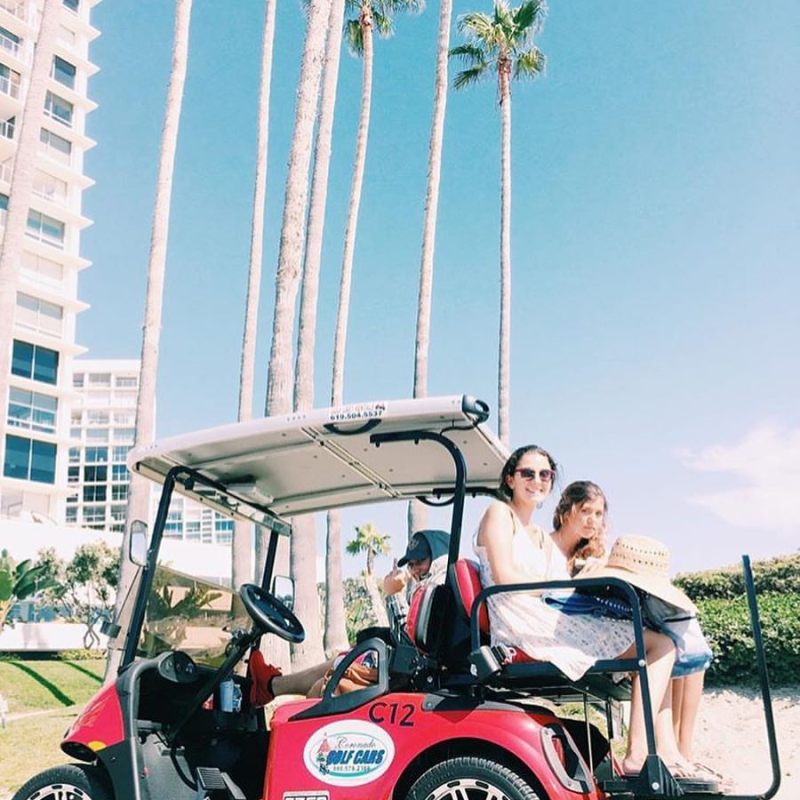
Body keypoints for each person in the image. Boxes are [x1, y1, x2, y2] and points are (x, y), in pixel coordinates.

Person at [474, 445, 694, 779]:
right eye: (527, 473)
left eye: (545, 474)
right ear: (510, 478)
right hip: (520, 620)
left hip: (539, 613)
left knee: (660, 640)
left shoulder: (536, 534)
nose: (537, 481)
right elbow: (504, 577)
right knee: (658, 644)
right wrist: (554, 590)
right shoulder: (498, 513)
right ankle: (637, 755)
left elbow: (558, 572)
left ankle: (665, 750)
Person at [550, 481, 713, 765]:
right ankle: (661, 750)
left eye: (599, 514)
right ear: (566, 511)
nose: (592, 520)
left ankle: (677, 747)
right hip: (573, 623)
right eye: (585, 510)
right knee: (666, 641)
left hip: (600, 617)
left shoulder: (596, 553)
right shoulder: (552, 546)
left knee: (679, 636)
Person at [251, 530, 450, 703]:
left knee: (320, 690)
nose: (415, 570)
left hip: (419, 677)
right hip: (416, 671)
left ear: (439, 559)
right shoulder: (436, 588)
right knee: (342, 660)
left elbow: (411, 646)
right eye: (411, 565)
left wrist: (393, 595)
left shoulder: (440, 589)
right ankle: (270, 686)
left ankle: (270, 687)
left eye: (420, 562)